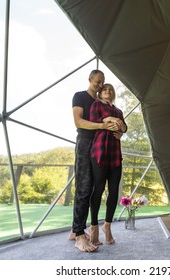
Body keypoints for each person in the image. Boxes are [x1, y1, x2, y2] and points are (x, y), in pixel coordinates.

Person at [70, 70, 121, 252]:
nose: (100, 85)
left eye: (103, 83)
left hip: (102, 146)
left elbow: (118, 122)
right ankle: (79, 234)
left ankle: (76, 227)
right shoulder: (80, 96)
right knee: (84, 187)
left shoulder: (101, 102)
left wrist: (119, 131)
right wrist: (102, 125)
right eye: (97, 82)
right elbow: (78, 122)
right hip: (85, 143)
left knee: (93, 187)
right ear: (90, 79)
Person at [88, 83, 127, 245]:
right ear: (100, 93)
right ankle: (94, 227)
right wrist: (110, 119)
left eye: (110, 90)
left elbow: (124, 128)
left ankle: (108, 226)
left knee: (113, 191)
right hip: (99, 152)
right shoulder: (96, 104)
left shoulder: (119, 110)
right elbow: (94, 120)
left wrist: (120, 129)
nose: (108, 91)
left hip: (115, 153)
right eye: (105, 89)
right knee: (98, 189)